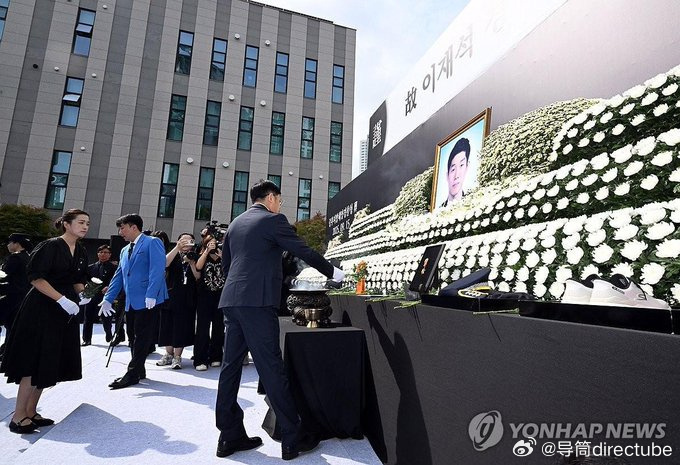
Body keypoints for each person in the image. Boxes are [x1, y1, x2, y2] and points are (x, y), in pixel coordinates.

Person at [214, 179, 344, 460]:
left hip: (232, 301)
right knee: (272, 368)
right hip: (257, 303)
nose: (280, 206)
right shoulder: (273, 220)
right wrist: (334, 273)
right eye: (280, 201)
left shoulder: (235, 224)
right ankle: (292, 438)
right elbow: (303, 251)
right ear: (271, 198)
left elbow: (226, 266)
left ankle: (228, 436)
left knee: (230, 368)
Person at [0, 209, 90, 433]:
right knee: (33, 359)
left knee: (49, 359)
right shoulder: (50, 246)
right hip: (41, 307)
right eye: (81, 222)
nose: (85, 226)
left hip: (63, 311)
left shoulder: (80, 250)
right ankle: (18, 416)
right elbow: (36, 278)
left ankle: (31, 411)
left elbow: (77, 279)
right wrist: (61, 299)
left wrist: (84, 293)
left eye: (87, 223)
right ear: (66, 224)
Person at [99, 214, 168, 390]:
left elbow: (157, 269)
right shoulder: (124, 250)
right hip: (131, 300)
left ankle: (132, 373)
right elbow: (119, 276)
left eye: (122, 228)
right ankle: (139, 370)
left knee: (141, 337)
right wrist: (108, 299)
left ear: (133, 227)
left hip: (148, 300)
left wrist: (151, 294)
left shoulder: (152, 242)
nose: (120, 232)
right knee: (132, 335)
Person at [155, 232, 198, 370]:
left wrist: (192, 263)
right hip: (170, 294)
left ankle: (178, 356)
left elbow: (198, 276)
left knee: (181, 326)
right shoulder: (173, 254)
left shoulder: (195, 255)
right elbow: (164, 263)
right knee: (167, 325)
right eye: (183, 240)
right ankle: (168, 354)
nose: (186, 243)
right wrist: (177, 248)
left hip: (187, 297)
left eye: (189, 241)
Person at [194, 234, 226, 371]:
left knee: (219, 327)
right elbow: (198, 267)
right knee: (203, 327)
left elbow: (230, 268)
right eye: (210, 243)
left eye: (214, 243)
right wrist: (206, 252)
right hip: (204, 296)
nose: (213, 245)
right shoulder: (202, 255)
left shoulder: (222, 255)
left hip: (220, 296)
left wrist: (222, 255)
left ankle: (216, 356)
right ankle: (200, 359)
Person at [0, 233, 32, 360]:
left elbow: (4, 275)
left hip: (9, 296)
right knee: (12, 325)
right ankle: (7, 352)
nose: (8, 245)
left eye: (10, 242)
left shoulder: (15, 258)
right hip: (23, 297)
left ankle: (6, 351)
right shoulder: (29, 258)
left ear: (17, 243)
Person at [81, 245, 117, 346]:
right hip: (92, 295)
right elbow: (85, 280)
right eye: (101, 252)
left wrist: (109, 287)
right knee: (88, 317)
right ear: (97, 254)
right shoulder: (91, 267)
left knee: (106, 318)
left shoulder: (114, 268)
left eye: (105, 252)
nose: (103, 254)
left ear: (109, 255)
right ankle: (86, 339)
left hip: (106, 296)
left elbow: (115, 280)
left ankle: (109, 333)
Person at [440, 137, 471, 208]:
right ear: (447, 176)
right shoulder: (438, 210)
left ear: (467, 168)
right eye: (453, 169)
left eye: (461, 165)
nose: (456, 176)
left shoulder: (472, 202)